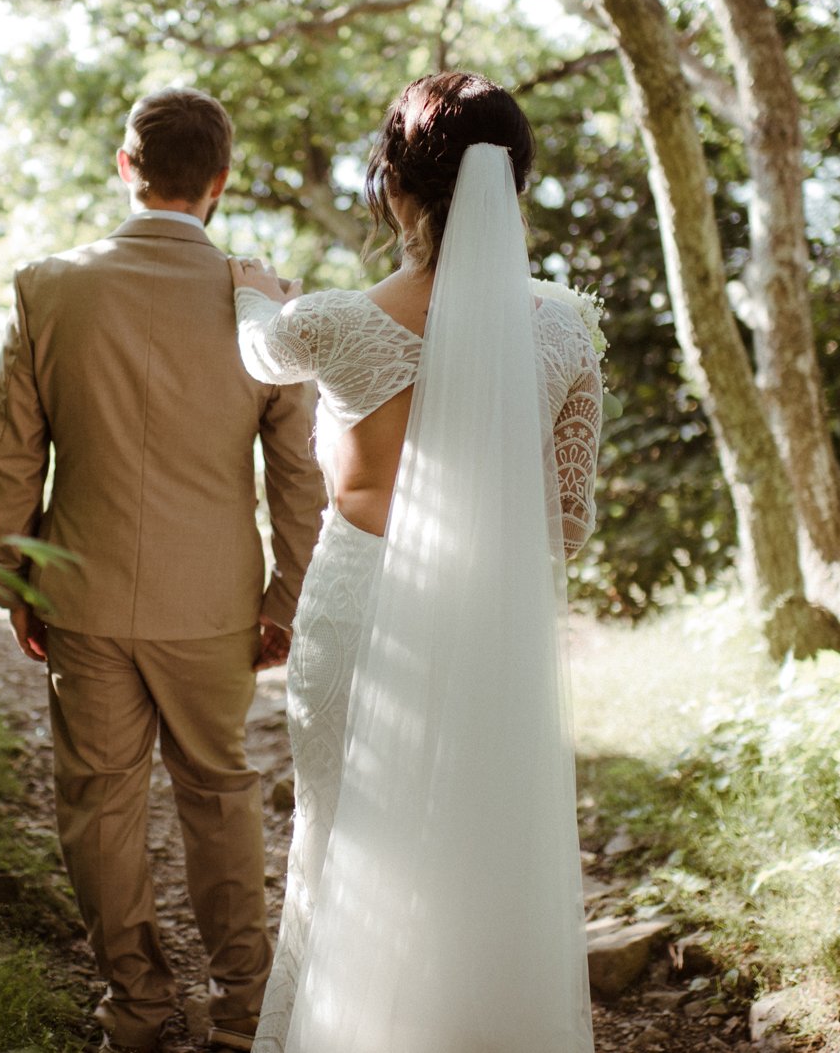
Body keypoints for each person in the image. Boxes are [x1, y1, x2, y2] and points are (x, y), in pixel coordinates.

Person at [230, 72, 602, 1053]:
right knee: (480, 852)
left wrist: (249, 290)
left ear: (394, 186)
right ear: (511, 186)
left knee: (341, 842)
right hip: (490, 619)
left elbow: (255, 351)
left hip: (356, 608)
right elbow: (565, 523)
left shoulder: (333, 322)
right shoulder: (564, 328)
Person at [0, 87, 328, 1053]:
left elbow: (14, 450)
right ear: (218, 182)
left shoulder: (49, 285)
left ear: (125, 166)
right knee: (222, 793)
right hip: (216, 601)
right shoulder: (258, 296)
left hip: (80, 595)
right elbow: (296, 470)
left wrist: (14, 575)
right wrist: (287, 595)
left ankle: (134, 1007)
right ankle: (245, 1010)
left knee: (98, 800)